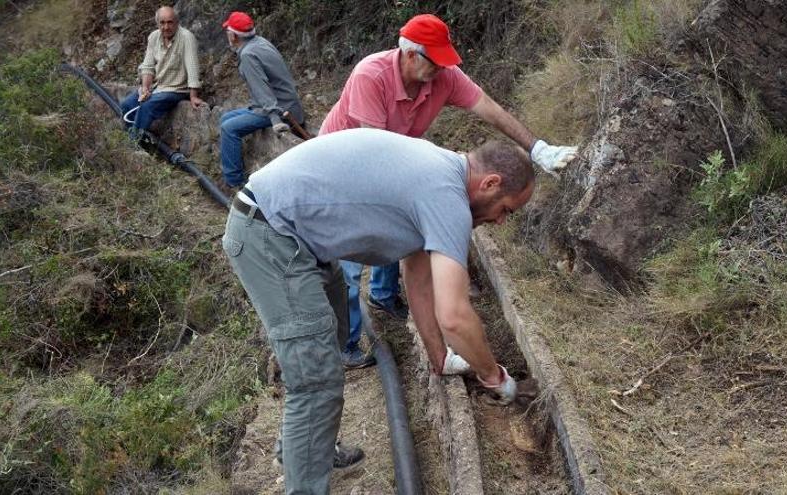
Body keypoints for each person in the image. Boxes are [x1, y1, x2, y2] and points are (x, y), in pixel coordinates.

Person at [222, 128, 531, 494]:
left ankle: (303, 450)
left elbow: (417, 278)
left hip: (295, 237)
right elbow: (455, 316)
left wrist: (439, 356)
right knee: (316, 378)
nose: (500, 221)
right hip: (269, 235)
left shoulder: (441, 175)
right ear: (490, 183)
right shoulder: (447, 196)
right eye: (505, 210)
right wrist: (495, 377)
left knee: (330, 342)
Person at [320, 14, 578, 369]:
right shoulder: (372, 75)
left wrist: (537, 148)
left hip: (392, 157)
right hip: (344, 170)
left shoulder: (442, 77)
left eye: (445, 62)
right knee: (350, 256)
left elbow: (490, 109)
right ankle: (345, 346)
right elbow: (374, 155)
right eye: (435, 61)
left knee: (402, 226)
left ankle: (383, 295)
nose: (442, 70)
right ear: (410, 55)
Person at [218, 11, 306, 194]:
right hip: (282, 104)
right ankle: (234, 164)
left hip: (279, 110)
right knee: (226, 118)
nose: (227, 34)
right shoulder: (260, 42)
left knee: (229, 128)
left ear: (234, 36)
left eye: (228, 31)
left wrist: (275, 119)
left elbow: (262, 90)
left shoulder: (248, 55)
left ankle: (234, 184)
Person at [120, 6, 204, 141]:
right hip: (156, 87)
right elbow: (147, 66)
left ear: (177, 22)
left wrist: (193, 96)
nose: (166, 27)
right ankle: (130, 135)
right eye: (162, 23)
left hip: (176, 88)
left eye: (170, 22)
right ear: (158, 23)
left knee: (147, 107)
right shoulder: (154, 37)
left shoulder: (186, 37)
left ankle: (134, 142)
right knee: (126, 105)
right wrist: (145, 89)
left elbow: (193, 68)